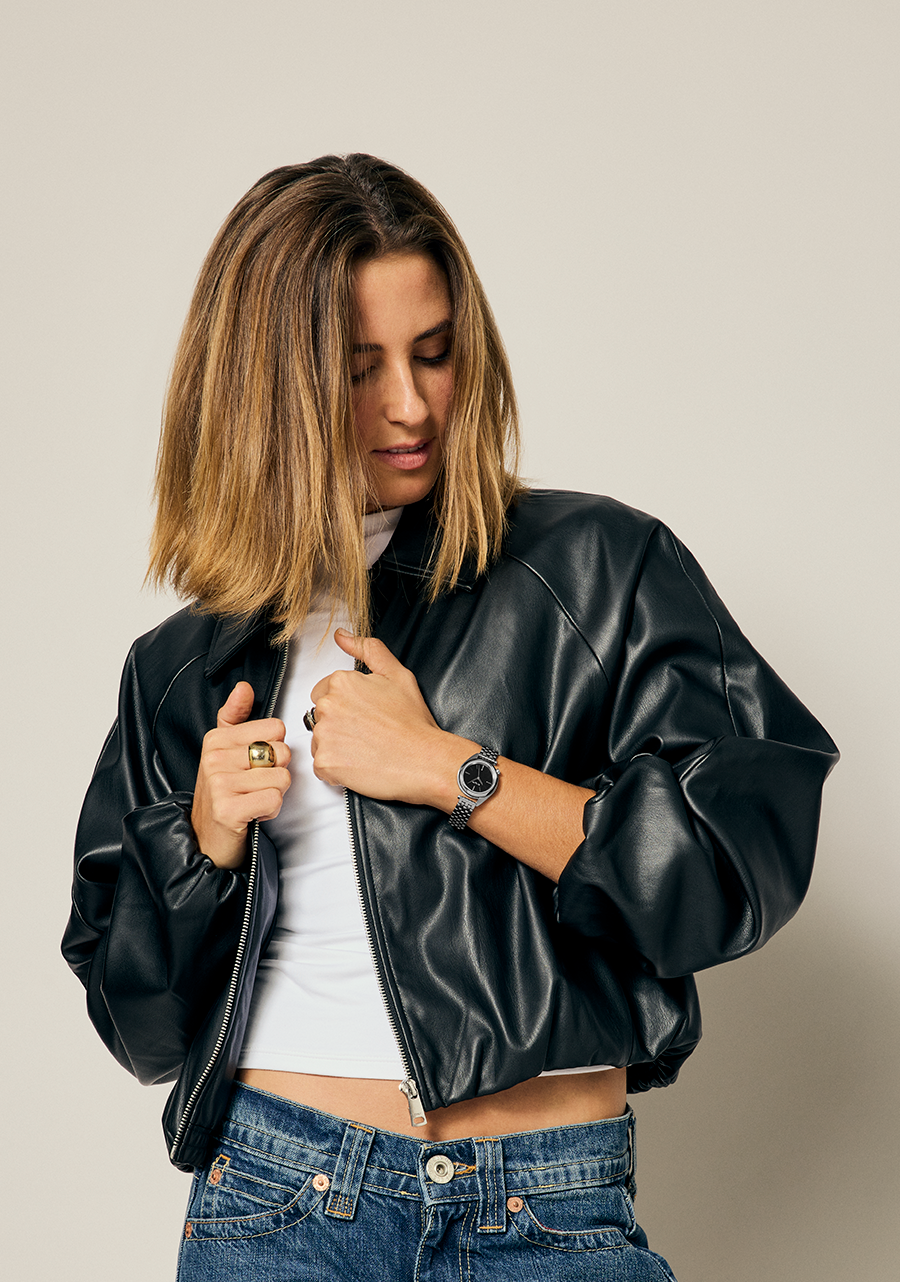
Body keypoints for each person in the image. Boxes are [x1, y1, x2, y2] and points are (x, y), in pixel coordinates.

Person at [62, 154, 838, 1282]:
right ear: (266, 387)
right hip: (278, 1203)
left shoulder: (595, 570)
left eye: (434, 352)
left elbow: (728, 875)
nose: (413, 404)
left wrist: (455, 772)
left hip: (548, 1204)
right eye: (359, 368)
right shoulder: (184, 666)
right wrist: (204, 845)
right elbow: (139, 1028)